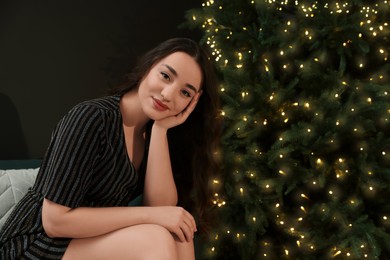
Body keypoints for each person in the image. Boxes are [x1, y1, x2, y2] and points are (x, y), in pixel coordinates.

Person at [0, 37, 221, 259]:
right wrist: (149, 217)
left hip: (85, 241)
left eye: (185, 93)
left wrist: (160, 131)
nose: (168, 94)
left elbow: (161, 208)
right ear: (148, 66)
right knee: (156, 238)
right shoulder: (91, 118)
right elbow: (54, 221)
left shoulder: (154, 136)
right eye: (165, 76)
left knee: (178, 237)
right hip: (33, 243)